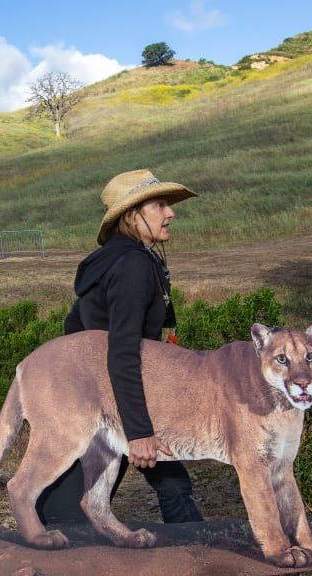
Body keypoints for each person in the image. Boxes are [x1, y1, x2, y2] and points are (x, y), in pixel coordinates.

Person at [36, 168, 203, 526]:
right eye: (160, 205)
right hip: (118, 395)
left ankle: (51, 536)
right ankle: (198, 552)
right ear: (132, 215)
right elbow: (122, 353)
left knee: (78, 491)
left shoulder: (115, 260)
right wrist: (139, 429)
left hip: (98, 395)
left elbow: (75, 326)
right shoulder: (132, 266)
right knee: (171, 485)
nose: (171, 213)